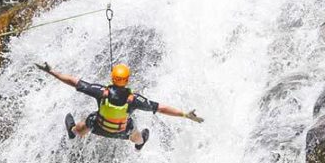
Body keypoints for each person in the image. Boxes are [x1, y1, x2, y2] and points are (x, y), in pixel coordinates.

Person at [35, 62, 203, 150]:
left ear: (112, 78)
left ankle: (74, 132)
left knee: (89, 121)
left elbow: (74, 81)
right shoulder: (133, 99)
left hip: (99, 127)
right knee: (133, 131)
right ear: (127, 79)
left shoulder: (101, 92)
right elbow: (160, 108)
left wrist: (52, 71)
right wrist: (184, 114)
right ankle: (140, 142)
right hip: (121, 131)